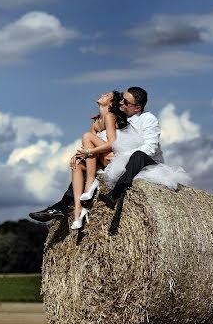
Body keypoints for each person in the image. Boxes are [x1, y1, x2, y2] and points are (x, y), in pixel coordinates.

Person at [29, 86, 165, 222]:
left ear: (137, 108)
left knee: (138, 155)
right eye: (122, 99)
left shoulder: (148, 119)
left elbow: (150, 148)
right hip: (118, 161)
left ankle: (115, 194)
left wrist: (121, 155)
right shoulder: (120, 117)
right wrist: (82, 153)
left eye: (126, 102)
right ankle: (62, 206)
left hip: (146, 164)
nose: (122, 103)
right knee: (81, 166)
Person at [67, 91, 128, 229]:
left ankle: (89, 183)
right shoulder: (96, 122)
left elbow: (112, 143)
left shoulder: (109, 116)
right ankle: (78, 211)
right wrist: (78, 155)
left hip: (112, 158)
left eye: (107, 95)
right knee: (76, 164)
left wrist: (89, 152)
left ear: (111, 103)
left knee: (87, 135)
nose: (102, 94)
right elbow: (86, 146)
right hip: (100, 160)